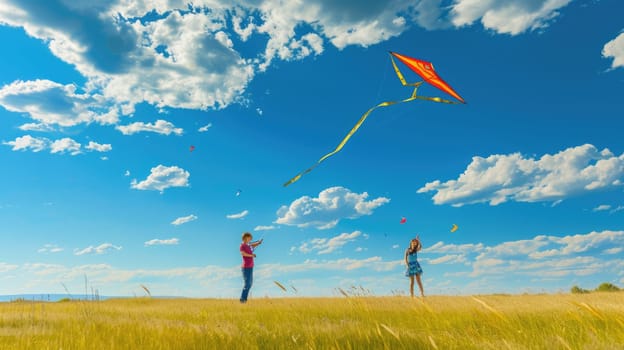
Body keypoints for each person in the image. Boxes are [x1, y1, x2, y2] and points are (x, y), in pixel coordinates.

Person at [239, 232, 263, 303]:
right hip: (245, 267)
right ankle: (242, 300)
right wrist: (252, 255)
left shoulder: (248, 245)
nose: (251, 239)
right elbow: (243, 253)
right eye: (250, 237)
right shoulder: (242, 245)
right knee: (247, 284)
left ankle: (244, 300)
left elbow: (253, 245)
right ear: (246, 238)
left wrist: (258, 243)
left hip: (250, 266)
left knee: (250, 284)